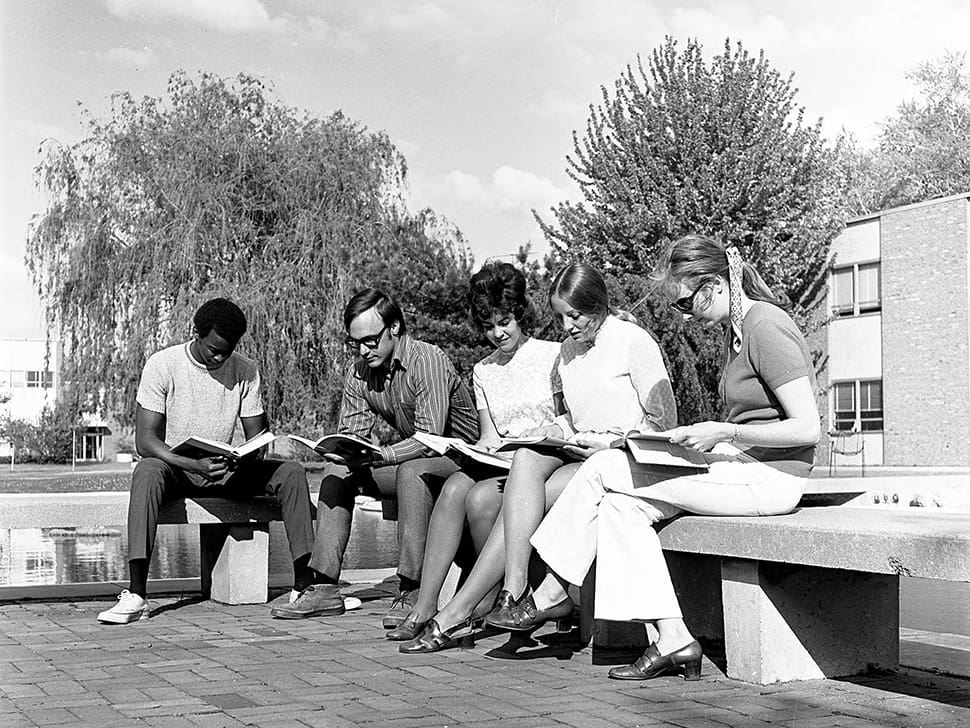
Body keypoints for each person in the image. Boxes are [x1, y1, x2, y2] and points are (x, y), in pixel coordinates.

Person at [526, 234, 821, 681]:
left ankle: (552, 591)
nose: (686, 317)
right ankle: (673, 636)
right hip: (741, 464)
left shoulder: (766, 325)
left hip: (771, 477)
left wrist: (724, 431)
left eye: (686, 304)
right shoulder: (739, 330)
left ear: (713, 284)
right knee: (620, 506)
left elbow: (808, 428)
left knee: (604, 466)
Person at [399, 262, 677, 652]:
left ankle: (457, 613)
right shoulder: (568, 351)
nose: (566, 326)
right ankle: (514, 589)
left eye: (574, 315)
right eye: (561, 317)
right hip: (580, 451)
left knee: (512, 497)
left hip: (620, 458)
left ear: (599, 303)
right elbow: (573, 416)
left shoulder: (633, 341)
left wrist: (608, 444)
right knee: (526, 459)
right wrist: (556, 431)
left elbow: (664, 424)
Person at [98, 298, 317, 624]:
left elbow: (258, 437)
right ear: (196, 333)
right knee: (146, 470)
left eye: (227, 351)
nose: (220, 357)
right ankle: (137, 595)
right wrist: (192, 465)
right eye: (214, 349)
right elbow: (145, 441)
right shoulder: (163, 364)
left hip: (225, 470)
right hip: (177, 470)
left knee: (291, 472)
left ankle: (305, 587)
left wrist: (248, 455)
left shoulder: (246, 370)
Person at [272, 288, 479, 627]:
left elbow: (430, 441)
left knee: (411, 471)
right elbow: (351, 431)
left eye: (370, 340)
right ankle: (324, 586)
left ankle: (412, 589)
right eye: (355, 343)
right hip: (416, 461)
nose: (363, 350)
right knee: (336, 471)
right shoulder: (358, 373)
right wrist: (345, 450)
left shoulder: (428, 360)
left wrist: (382, 454)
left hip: (463, 461)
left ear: (395, 327)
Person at [386, 262, 560, 641]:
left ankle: (484, 599)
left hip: (547, 458)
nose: (497, 334)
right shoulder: (483, 369)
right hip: (503, 460)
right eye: (488, 326)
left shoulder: (553, 356)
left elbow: (568, 422)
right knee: (453, 489)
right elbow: (488, 436)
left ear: (520, 314)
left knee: (480, 498)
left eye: (504, 322)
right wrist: (467, 449)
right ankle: (425, 603)